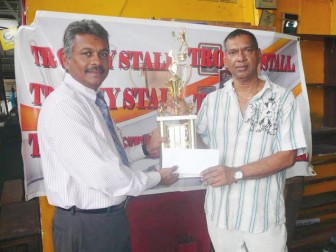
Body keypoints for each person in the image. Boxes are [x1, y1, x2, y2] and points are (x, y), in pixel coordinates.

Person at [37, 19, 178, 252]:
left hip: (104, 221)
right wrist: (155, 177)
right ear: (66, 58)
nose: (97, 62)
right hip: (87, 226)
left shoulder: (92, 101)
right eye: (87, 53)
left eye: (103, 54)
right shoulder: (65, 106)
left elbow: (109, 155)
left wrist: (144, 148)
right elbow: (104, 175)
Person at [196, 29, 307, 251]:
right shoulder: (212, 101)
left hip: (262, 217)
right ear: (225, 60)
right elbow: (200, 147)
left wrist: (235, 173)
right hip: (221, 214)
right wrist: (181, 124)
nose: (240, 58)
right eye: (233, 52)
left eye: (247, 50)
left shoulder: (282, 99)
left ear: (258, 55)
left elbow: (287, 156)